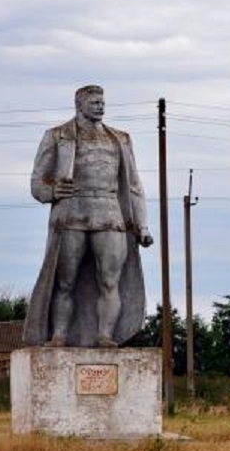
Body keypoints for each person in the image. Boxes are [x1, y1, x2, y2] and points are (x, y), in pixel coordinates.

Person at [23, 85, 153, 348]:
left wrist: (142, 225)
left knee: (110, 281)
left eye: (102, 102)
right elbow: (37, 183)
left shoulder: (121, 139)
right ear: (79, 104)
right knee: (65, 282)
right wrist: (52, 190)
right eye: (94, 102)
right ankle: (59, 335)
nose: (100, 106)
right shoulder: (58, 135)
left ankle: (105, 336)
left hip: (110, 215)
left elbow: (134, 187)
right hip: (73, 214)